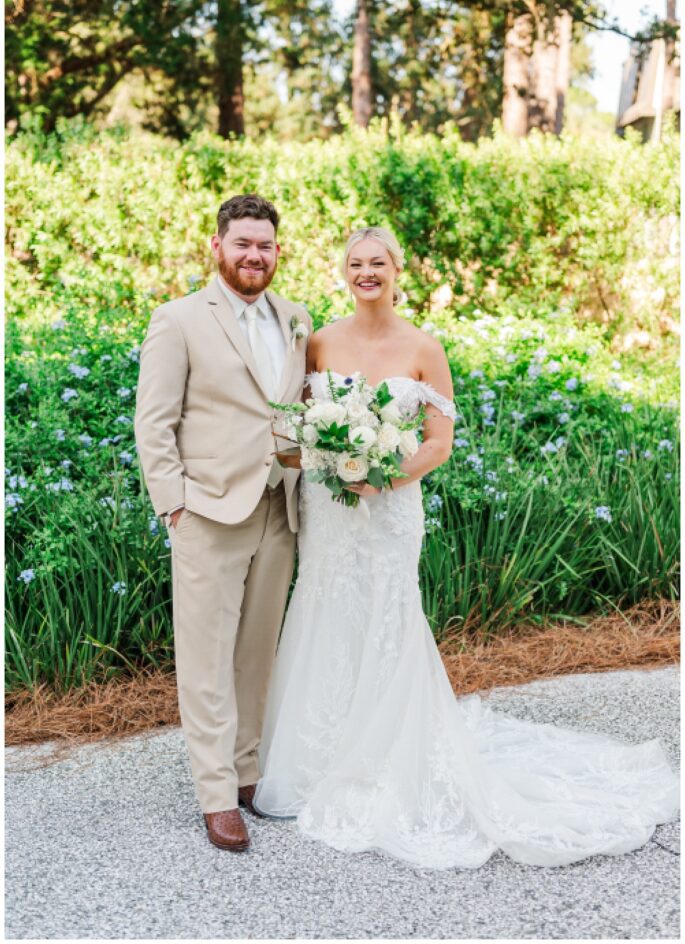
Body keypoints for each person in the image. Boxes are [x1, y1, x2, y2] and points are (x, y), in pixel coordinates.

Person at [252, 226, 680, 869]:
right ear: (343, 272)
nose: (366, 273)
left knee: (388, 617)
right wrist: (332, 460)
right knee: (325, 611)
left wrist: (382, 477)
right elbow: (297, 427)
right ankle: (318, 756)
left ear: (398, 270)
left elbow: (438, 443)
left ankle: (388, 751)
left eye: (378, 263)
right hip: (331, 511)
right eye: (355, 264)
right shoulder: (319, 341)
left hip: (391, 509)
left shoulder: (424, 347)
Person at [134, 193, 311, 852]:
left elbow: (296, 410)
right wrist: (173, 505)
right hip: (207, 510)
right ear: (217, 247)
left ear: (276, 250)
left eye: (264, 245)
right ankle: (215, 796)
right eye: (242, 243)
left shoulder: (296, 318)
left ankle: (245, 772)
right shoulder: (178, 319)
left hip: (278, 507)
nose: (253, 255)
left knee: (255, 652)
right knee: (205, 659)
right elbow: (153, 422)